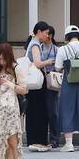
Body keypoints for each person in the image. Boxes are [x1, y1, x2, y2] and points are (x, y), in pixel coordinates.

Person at [24, 21, 57, 151]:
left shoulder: (33, 43)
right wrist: (49, 61)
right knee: (39, 111)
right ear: (39, 32)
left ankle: (34, 140)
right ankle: (38, 140)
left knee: (33, 111)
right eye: (46, 33)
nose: (47, 36)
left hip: (33, 84)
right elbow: (37, 63)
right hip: (37, 84)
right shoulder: (35, 44)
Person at [45, 25, 62, 149]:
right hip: (39, 82)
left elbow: (59, 67)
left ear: (50, 35)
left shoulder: (56, 50)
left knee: (52, 111)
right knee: (43, 111)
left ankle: (55, 138)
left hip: (51, 82)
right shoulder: (37, 47)